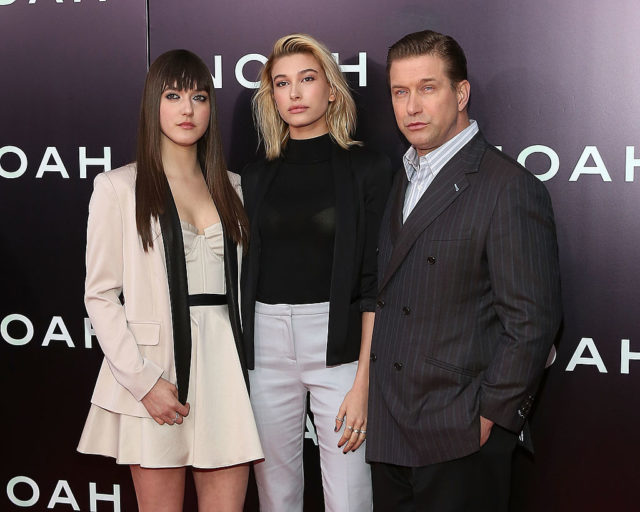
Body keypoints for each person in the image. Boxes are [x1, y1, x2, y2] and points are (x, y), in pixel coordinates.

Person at [366, 30, 562, 511]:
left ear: (461, 93)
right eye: (400, 91)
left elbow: (532, 322)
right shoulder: (404, 176)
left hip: (459, 435)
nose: (411, 106)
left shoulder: (507, 187)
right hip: (391, 432)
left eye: (427, 88)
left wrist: (487, 419)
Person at [77, 49, 263, 512]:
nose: (187, 108)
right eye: (174, 95)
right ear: (152, 105)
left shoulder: (236, 187)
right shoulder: (118, 188)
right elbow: (100, 295)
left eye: (199, 97)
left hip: (226, 369)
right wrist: (143, 382)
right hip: (157, 373)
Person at [241, 34, 392, 512]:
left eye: (307, 79)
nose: (295, 93)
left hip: (340, 345)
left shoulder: (368, 168)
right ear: (272, 96)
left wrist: (364, 379)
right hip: (264, 343)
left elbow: (375, 282)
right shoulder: (256, 174)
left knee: (349, 495)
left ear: (330, 89)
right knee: (275, 494)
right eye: (282, 83)